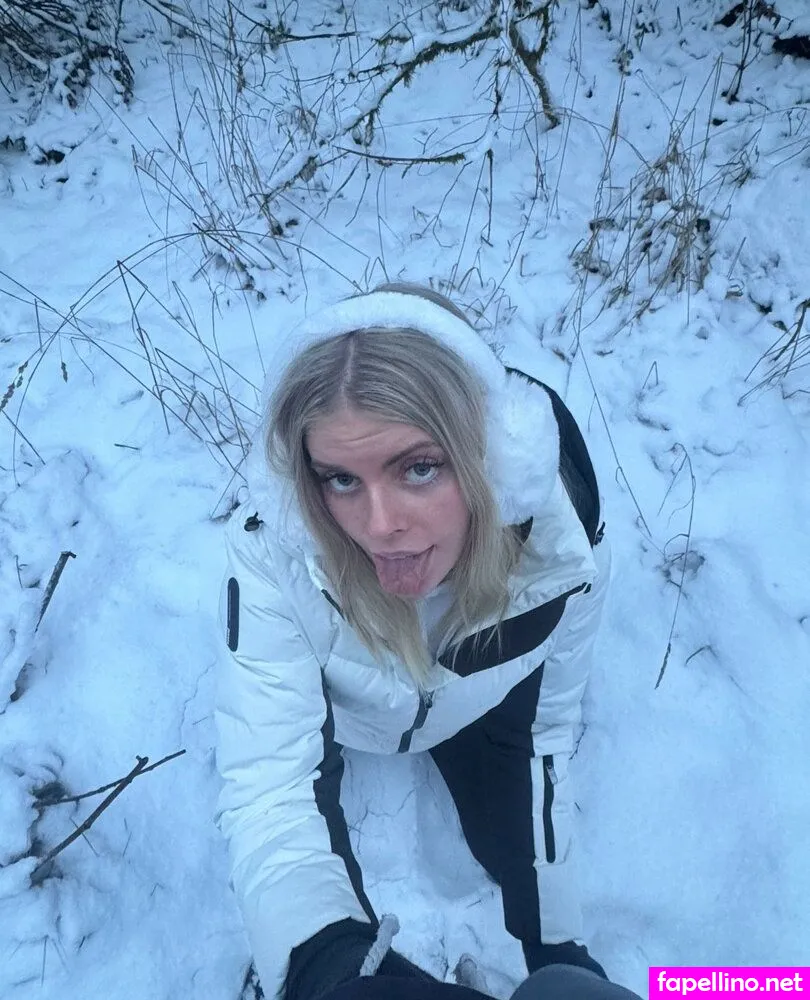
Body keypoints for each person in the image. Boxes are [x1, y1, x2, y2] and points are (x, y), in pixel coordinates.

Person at [214, 284, 637, 1000]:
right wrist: (325, 963)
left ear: (494, 459)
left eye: (419, 467)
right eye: (341, 479)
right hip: (346, 726)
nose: (380, 525)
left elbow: (546, 732)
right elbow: (270, 784)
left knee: (528, 887)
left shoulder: (559, 555)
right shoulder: (277, 559)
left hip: (483, 721)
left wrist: (560, 952)